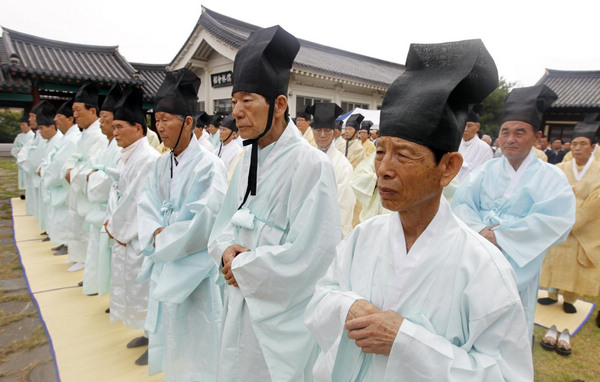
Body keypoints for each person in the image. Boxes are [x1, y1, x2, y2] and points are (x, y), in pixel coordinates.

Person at [306, 39, 533, 381]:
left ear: (448, 167)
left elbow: (506, 374)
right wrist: (346, 306)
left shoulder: (484, 269)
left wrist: (407, 342)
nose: (383, 168)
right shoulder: (364, 237)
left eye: (404, 154)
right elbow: (321, 296)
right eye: (380, 151)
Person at [208, 25, 340, 381]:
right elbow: (223, 223)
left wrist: (246, 266)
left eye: (247, 100)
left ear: (279, 105)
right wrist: (225, 253)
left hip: (281, 315)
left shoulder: (312, 165)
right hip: (240, 296)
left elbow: (314, 254)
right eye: (234, 101)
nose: (235, 111)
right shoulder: (245, 159)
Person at [452, 85, 576, 342]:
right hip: (478, 252)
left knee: (510, 327)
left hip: (518, 262)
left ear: (537, 136)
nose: (510, 139)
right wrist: (479, 231)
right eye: (505, 132)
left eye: (520, 132)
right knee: (469, 317)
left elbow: (555, 220)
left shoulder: (551, 177)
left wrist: (502, 237)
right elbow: (462, 205)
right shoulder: (485, 171)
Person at [137, 68, 228, 380]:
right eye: (157, 119)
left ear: (188, 122)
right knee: (173, 337)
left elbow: (205, 220)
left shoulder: (210, 166)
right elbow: (146, 203)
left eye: (166, 120)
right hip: (167, 262)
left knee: (200, 338)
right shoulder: (161, 164)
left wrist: (165, 237)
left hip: (196, 271)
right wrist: (154, 232)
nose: (159, 127)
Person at [104, 85, 160, 365]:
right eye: (113, 127)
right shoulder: (126, 154)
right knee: (135, 289)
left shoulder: (148, 159)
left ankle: (157, 341)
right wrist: (110, 219)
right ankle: (146, 333)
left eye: (119, 127)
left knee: (147, 290)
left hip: (140, 237)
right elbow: (117, 195)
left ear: (138, 128)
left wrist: (117, 227)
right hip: (126, 234)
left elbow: (138, 202)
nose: (115, 133)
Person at [540, 119, 600, 313]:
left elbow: (595, 203)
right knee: (554, 258)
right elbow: (550, 192)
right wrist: (561, 218)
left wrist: (574, 222)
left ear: (592, 147)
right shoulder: (561, 168)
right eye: (574, 144)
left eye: (583, 144)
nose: (577, 148)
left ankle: (570, 299)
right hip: (560, 222)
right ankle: (551, 294)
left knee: (575, 264)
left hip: (583, 227)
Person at [62, 81, 108, 272]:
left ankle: (84, 259)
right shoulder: (85, 134)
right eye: (73, 110)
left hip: (87, 188)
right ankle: (77, 255)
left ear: (92, 111)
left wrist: (73, 173)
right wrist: (70, 171)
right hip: (77, 183)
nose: (75, 115)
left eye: (78, 110)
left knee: (86, 226)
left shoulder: (98, 135)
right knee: (75, 221)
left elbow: (93, 167)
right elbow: (73, 159)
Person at [81, 84, 122, 296]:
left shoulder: (119, 146)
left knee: (111, 261)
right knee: (98, 255)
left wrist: (92, 174)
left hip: (109, 211)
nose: (101, 121)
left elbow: (108, 179)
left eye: (105, 116)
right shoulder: (105, 145)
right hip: (98, 210)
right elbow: (91, 169)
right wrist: (93, 173)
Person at [309, 102, 355, 237]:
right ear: (313, 132)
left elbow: (340, 203)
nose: (322, 135)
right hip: (307, 225)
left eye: (327, 131)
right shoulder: (308, 158)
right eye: (318, 130)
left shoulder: (343, 165)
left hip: (330, 228)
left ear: (334, 133)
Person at [36, 102, 64, 233]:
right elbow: (46, 160)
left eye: (42, 128)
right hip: (47, 178)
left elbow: (58, 163)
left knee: (59, 213)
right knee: (50, 210)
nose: (39, 132)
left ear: (52, 127)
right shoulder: (49, 141)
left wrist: (45, 170)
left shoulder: (60, 140)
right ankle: (50, 231)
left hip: (55, 181)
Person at [456, 105, 493, 182]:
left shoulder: (485, 149)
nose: (465, 129)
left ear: (478, 127)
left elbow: (483, 175)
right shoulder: (455, 143)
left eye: (469, 126)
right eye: (463, 125)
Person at [11, 113, 34, 194]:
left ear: (29, 125)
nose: (22, 127)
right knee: (22, 179)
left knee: (30, 179)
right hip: (21, 160)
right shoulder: (19, 137)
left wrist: (24, 151)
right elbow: (14, 149)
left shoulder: (33, 136)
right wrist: (20, 151)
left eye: (23, 125)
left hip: (29, 161)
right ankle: (24, 193)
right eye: (21, 125)